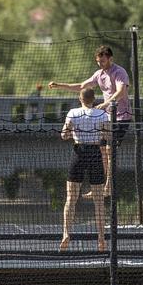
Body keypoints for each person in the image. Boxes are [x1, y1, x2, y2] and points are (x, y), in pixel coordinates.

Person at [48, 45, 131, 196]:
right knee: (102, 150)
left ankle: (108, 187)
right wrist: (59, 85)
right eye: (98, 62)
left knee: (109, 149)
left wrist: (106, 104)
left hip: (121, 117)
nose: (101, 64)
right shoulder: (99, 74)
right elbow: (81, 86)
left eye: (103, 61)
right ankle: (102, 185)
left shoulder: (119, 72)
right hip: (107, 117)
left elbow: (121, 91)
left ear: (110, 59)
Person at [59, 87, 110, 251]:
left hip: (78, 153)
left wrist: (74, 131)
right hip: (95, 154)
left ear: (80, 99)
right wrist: (99, 132)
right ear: (94, 99)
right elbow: (109, 136)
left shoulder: (73, 113)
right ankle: (101, 239)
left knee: (71, 199)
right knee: (99, 202)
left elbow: (64, 135)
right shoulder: (102, 115)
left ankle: (66, 233)